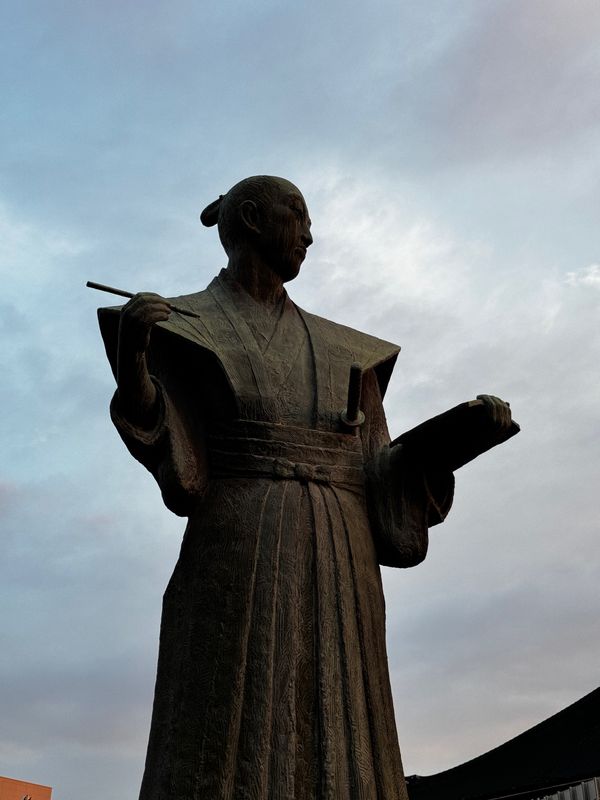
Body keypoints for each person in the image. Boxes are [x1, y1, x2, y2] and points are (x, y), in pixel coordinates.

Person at [97, 176, 514, 800]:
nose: (311, 234)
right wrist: (135, 371)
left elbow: (380, 466)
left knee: (345, 709)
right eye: (299, 215)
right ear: (252, 219)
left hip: (342, 550)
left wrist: (450, 443)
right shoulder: (183, 324)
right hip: (242, 534)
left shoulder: (347, 351)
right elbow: (184, 474)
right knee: (229, 700)